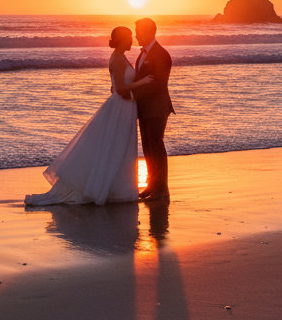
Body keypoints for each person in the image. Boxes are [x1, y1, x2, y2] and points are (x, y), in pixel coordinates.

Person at [25, 26, 151, 206]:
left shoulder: (120, 57)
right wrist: (142, 82)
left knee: (118, 148)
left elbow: (114, 86)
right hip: (121, 107)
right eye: (129, 37)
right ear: (122, 40)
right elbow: (121, 89)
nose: (132, 41)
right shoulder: (117, 58)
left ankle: (115, 187)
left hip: (124, 106)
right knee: (115, 147)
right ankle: (108, 189)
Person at [132, 17, 174, 200]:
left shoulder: (161, 54)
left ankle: (162, 189)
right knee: (148, 148)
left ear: (149, 32)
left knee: (156, 146)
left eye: (138, 31)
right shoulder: (143, 54)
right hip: (144, 108)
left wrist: (133, 95)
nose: (135, 35)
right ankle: (151, 185)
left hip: (157, 107)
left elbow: (158, 84)